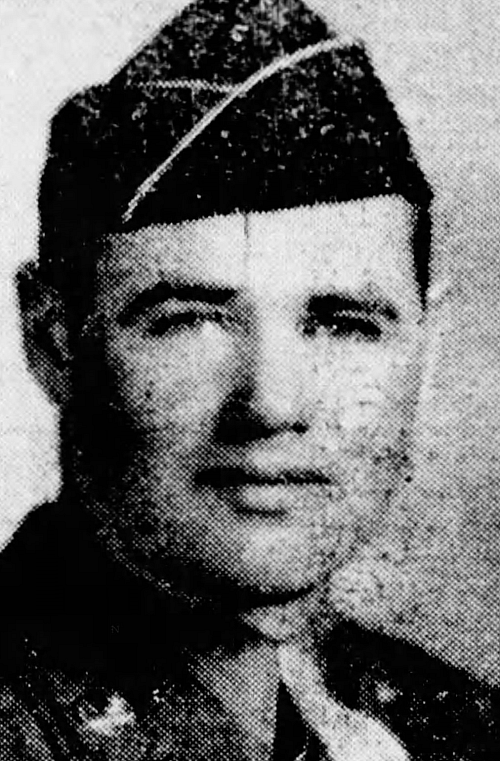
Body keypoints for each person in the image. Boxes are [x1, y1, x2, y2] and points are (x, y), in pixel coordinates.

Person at [0, 0, 498, 758]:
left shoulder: (458, 729)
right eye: (191, 321)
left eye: (344, 324)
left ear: (425, 350)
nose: (271, 405)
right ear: (54, 341)